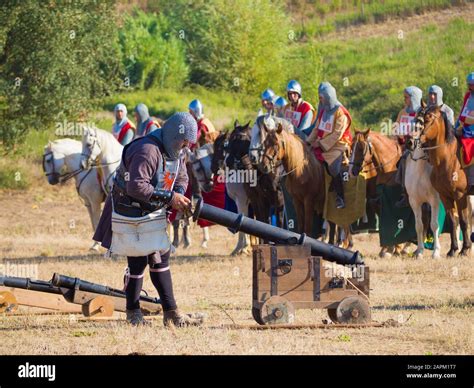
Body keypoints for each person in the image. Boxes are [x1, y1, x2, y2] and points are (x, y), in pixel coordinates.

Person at [93, 112, 204, 327]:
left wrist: (179, 194)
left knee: (160, 257)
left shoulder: (177, 152)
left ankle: (171, 313)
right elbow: (136, 186)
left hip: (151, 209)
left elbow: (181, 177)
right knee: (137, 261)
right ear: (174, 135)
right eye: (184, 141)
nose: (185, 146)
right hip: (130, 209)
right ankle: (133, 313)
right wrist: (171, 198)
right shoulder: (147, 150)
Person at [306, 83, 352, 209]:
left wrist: (320, 144)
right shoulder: (323, 112)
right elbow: (316, 129)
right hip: (322, 143)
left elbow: (337, 134)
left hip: (339, 145)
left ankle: (340, 197)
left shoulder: (341, 113)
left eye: (321, 98)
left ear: (328, 97)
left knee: (333, 167)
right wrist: (307, 142)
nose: (320, 100)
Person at [394, 86, 424, 208]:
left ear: (413, 98)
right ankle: (405, 193)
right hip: (404, 145)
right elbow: (395, 128)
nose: (404, 100)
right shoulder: (403, 112)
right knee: (400, 160)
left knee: (404, 160)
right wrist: (398, 136)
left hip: (420, 146)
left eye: (406, 97)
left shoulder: (422, 112)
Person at [456, 72, 474, 194]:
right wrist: (457, 125)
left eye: (472, 85)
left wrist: (464, 123)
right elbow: (463, 111)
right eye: (469, 84)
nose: (470, 87)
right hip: (464, 127)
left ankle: (472, 181)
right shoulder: (468, 95)